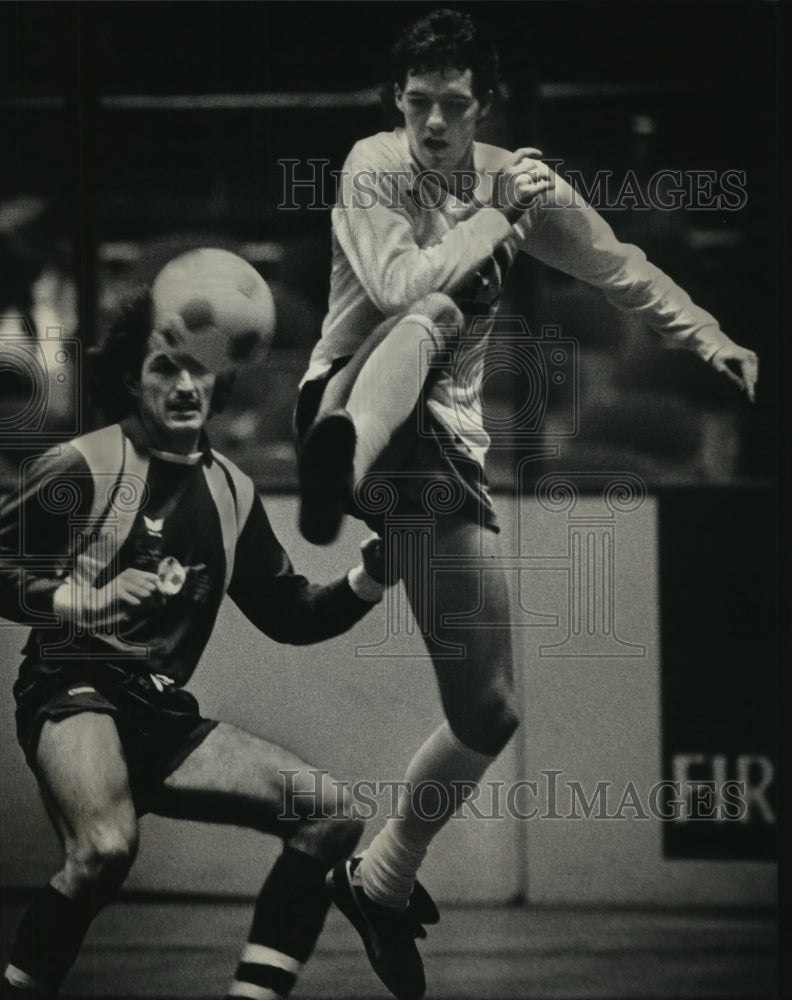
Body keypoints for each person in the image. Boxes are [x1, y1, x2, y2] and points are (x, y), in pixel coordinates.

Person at [295, 9, 759, 1000]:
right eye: (416, 104)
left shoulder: (516, 179)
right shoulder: (373, 166)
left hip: (438, 460)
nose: (431, 124)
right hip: (346, 397)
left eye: (452, 107)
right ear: (395, 104)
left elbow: (616, 266)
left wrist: (711, 333)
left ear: (483, 107)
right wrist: (497, 213)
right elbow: (396, 279)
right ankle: (347, 469)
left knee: (491, 709)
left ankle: (379, 878)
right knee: (434, 306)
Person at [0, 279, 393, 1000]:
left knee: (331, 815)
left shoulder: (233, 491)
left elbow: (290, 614)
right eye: (164, 367)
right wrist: (75, 599)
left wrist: (369, 577)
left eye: (198, 370)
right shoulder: (80, 465)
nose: (185, 385)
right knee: (104, 850)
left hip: (160, 711)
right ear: (130, 377)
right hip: (72, 684)